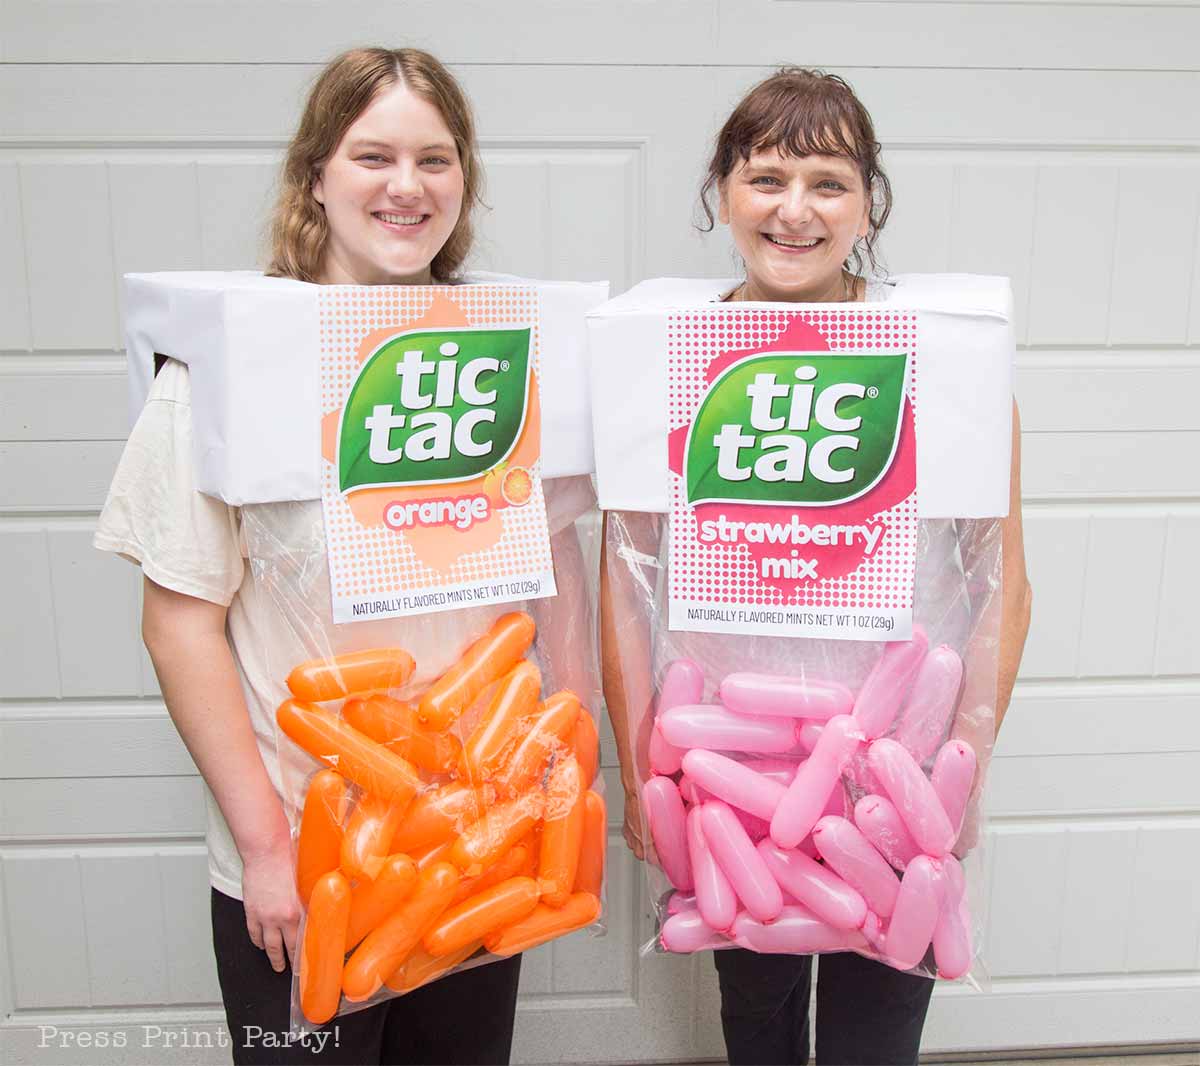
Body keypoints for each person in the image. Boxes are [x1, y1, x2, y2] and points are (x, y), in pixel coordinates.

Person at [94, 47, 524, 1065]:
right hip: (303, 859)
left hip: (468, 846)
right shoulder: (228, 363)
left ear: (464, 181)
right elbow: (179, 623)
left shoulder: (505, 351)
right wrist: (265, 850)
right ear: (315, 175)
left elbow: (540, 587)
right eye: (373, 156)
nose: (407, 186)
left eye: (435, 159)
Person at [600, 68, 1033, 1066]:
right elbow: (623, 579)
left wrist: (959, 768)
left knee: (877, 1032)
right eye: (766, 177)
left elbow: (1005, 583)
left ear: (867, 204)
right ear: (721, 193)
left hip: (899, 767)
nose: (794, 210)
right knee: (755, 1021)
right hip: (734, 777)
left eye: (828, 182)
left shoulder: (947, 359)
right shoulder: (665, 353)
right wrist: (638, 766)